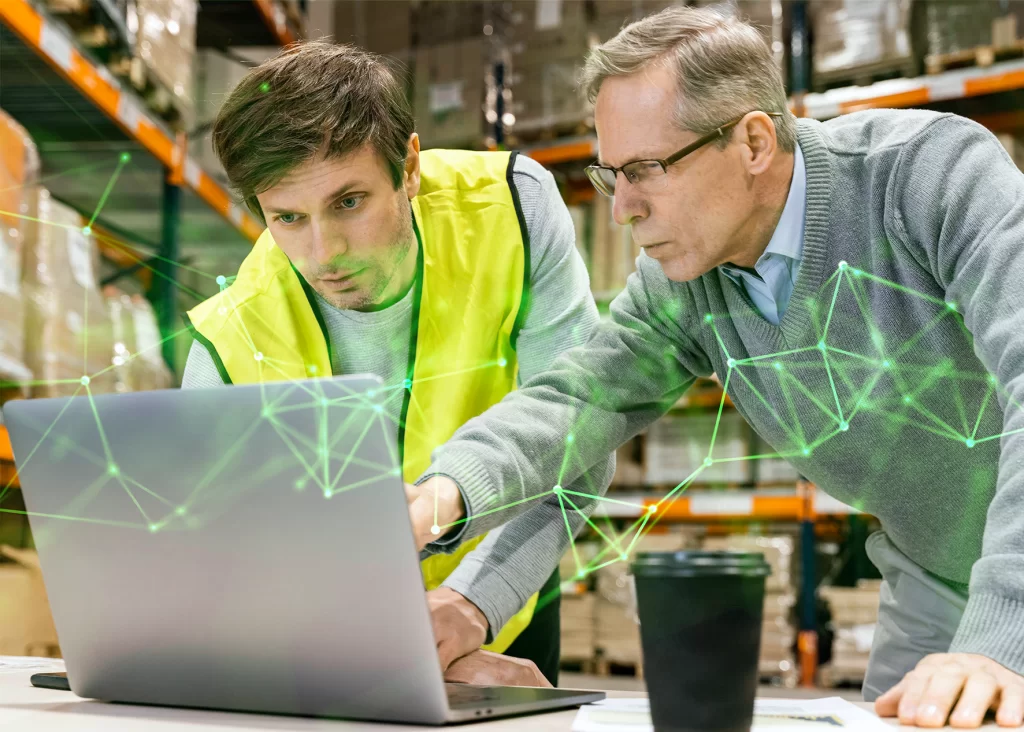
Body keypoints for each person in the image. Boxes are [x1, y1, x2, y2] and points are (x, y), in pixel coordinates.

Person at [410, 6, 1024, 727]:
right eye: (613, 176)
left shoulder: (927, 175)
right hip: (932, 571)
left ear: (755, 141)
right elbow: (576, 399)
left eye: (645, 169)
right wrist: (443, 492)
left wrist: (1002, 632)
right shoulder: (686, 285)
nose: (623, 210)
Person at [179, 42, 614, 686]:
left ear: (408, 167)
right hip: (330, 648)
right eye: (288, 218)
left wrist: (473, 603)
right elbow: (214, 557)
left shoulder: (513, 212)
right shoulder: (228, 338)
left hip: (501, 604)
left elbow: (580, 444)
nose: (324, 252)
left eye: (348, 202)